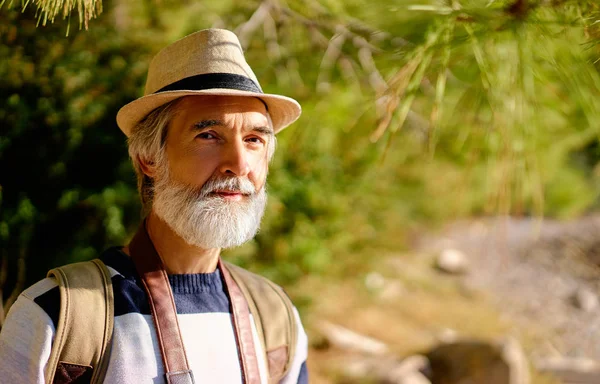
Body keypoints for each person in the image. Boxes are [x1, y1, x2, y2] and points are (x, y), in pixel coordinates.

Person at [0, 28, 308, 383]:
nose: (238, 164)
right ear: (149, 157)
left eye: (254, 139)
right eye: (208, 135)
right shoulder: (56, 314)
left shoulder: (276, 318)